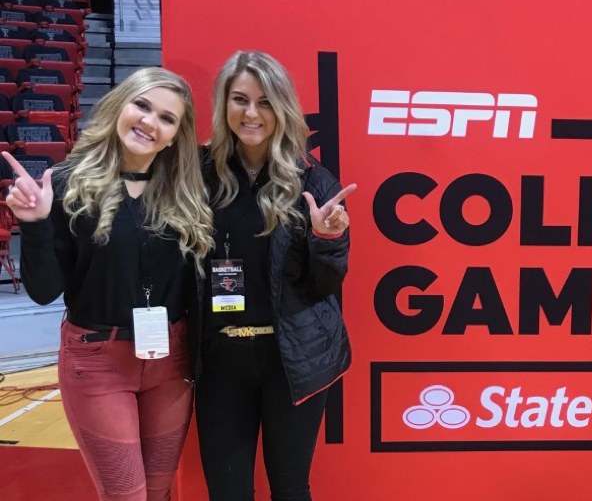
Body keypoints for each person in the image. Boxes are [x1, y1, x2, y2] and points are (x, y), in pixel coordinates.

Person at [1, 67, 213, 501]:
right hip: (98, 361)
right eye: (142, 105)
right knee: (126, 495)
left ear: (176, 135)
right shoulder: (67, 184)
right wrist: (37, 226)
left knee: (158, 493)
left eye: (167, 118)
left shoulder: (187, 191)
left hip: (170, 361)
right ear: (120, 106)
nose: (150, 122)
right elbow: (44, 291)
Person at [195, 50, 354, 501]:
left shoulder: (312, 180)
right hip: (220, 362)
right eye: (240, 99)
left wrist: (327, 241)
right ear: (223, 104)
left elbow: (325, 286)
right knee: (227, 492)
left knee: (290, 488)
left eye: (265, 101)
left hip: (292, 360)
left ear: (282, 107)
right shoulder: (198, 174)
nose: (251, 113)